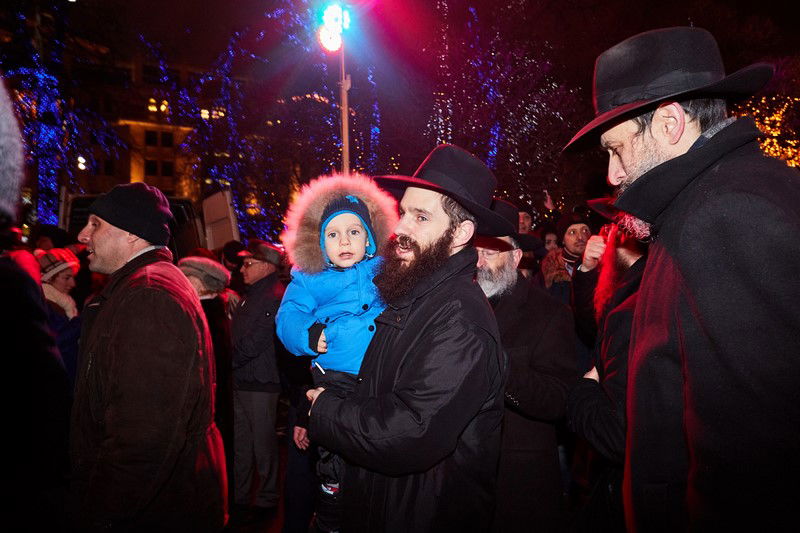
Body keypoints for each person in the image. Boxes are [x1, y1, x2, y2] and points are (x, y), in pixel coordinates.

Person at [565, 26, 800, 530]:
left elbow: (753, 467)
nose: (612, 175)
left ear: (669, 124)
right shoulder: (706, 206)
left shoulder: (727, 214)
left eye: (616, 148)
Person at [306, 144, 514, 532]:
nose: (400, 228)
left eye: (421, 217)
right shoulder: (412, 296)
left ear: (461, 233)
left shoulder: (460, 320)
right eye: (403, 212)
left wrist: (325, 412)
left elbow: (409, 433)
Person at [71, 182, 227, 531]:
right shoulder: (141, 287)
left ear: (132, 235)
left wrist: (101, 514)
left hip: (157, 511)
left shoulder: (149, 297)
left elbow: (143, 440)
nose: (83, 235)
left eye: (95, 224)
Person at [277, 173, 398, 532]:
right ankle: (330, 516)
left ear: (371, 240)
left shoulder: (386, 271)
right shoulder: (310, 279)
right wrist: (309, 334)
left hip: (381, 376)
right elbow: (288, 318)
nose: (344, 241)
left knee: (377, 449)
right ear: (320, 243)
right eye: (333, 234)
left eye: (354, 232)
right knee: (335, 454)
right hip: (337, 379)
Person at [476, 198, 577, 532]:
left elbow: (558, 400)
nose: (478, 262)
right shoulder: (455, 306)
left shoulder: (548, 314)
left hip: (516, 484)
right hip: (458, 481)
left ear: (516, 257)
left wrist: (500, 367)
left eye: (489, 252)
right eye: (474, 251)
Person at [567, 201, 647, 532]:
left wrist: (584, 391)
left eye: (608, 229)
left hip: (628, 480)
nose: (602, 237)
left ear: (624, 236)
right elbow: (590, 327)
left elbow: (618, 434)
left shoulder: (636, 302)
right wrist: (586, 270)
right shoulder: (625, 286)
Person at [230, 239, 285, 524]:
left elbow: (255, 343)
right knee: (241, 444)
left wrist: (228, 361)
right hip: (242, 379)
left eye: (248, 263)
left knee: (263, 446)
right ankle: (240, 497)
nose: (242, 269)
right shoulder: (251, 295)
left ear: (267, 266)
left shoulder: (274, 296)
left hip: (260, 383)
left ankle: (267, 498)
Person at [178, 255, 235, 505]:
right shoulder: (211, 310)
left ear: (200, 284)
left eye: (185, 278)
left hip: (208, 406)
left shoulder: (204, 316)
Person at [35, 247, 82, 387]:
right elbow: (56, 342)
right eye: (67, 278)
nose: (73, 284)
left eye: (73, 277)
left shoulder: (62, 302)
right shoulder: (44, 305)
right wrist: (83, 320)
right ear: (49, 278)